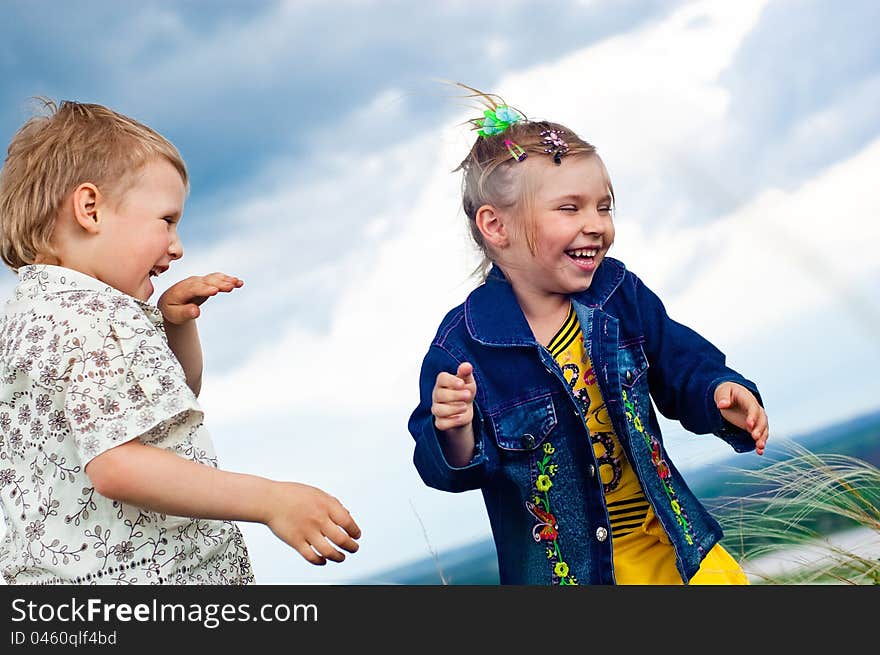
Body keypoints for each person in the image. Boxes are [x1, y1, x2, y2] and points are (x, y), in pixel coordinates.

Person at [408, 88, 769, 585]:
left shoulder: (618, 294)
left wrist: (719, 391)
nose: (595, 225)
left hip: (673, 547)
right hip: (571, 576)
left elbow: (682, 363)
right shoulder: (464, 346)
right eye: (570, 209)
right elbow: (445, 469)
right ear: (496, 226)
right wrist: (455, 430)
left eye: (604, 207)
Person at [0, 100, 361, 584]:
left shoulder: (29, 321)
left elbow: (162, 405)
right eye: (166, 220)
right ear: (90, 210)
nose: (177, 245)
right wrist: (270, 499)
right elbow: (117, 464)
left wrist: (174, 326)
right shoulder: (97, 320)